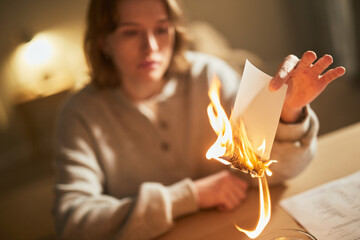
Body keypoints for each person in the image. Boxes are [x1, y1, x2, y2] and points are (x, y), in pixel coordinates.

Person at [52, 0, 346, 239]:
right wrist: (189, 196)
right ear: (103, 42)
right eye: (131, 32)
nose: (151, 46)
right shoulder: (80, 114)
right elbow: (75, 223)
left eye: (161, 29)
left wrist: (288, 111)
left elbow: (274, 172)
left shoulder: (208, 75)